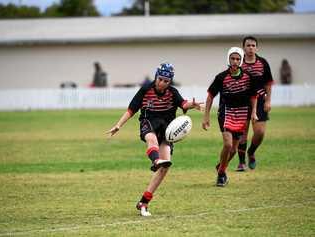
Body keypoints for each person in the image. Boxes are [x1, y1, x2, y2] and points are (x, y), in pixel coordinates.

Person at [107, 63, 202, 216]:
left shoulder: (172, 92)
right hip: (148, 123)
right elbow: (131, 110)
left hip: (167, 129)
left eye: (166, 81)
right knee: (151, 140)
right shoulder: (146, 90)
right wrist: (118, 125)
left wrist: (192, 104)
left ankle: (144, 202)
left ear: (170, 81)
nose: (162, 83)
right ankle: (155, 160)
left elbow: (183, 103)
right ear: (156, 77)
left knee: (166, 165)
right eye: (160, 79)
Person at [202, 47, 258, 187]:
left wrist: (254, 112)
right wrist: (206, 116)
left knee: (233, 150)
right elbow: (210, 96)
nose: (235, 61)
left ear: (241, 60)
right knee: (227, 144)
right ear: (228, 59)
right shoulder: (221, 77)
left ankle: (221, 167)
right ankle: (221, 175)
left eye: (238, 59)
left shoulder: (247, 77)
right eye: (232, 58)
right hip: (226, 113)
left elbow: (253, 96)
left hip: (242, 114)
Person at [236, 36, 274, 171]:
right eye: (248, 45)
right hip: (242, 102)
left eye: (253, 45)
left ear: (256, 48)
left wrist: (268, 100)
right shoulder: (238, 63)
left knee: (260, 132)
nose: (250, 48)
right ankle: (241, 163)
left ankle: (251, 152)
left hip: (260, 102)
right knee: (242, 133)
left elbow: (269, 83)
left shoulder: (263, 63)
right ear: (243, 48)